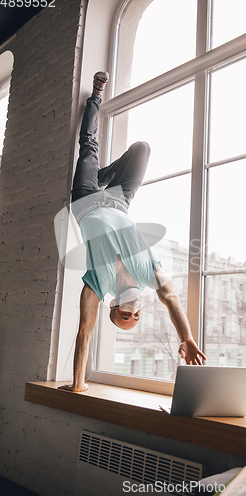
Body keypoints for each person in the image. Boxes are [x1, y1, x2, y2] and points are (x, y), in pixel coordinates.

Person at [61, 72, 206, 392]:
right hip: (118, 200)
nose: (133, 315)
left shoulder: (98, 285)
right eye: (136, 318)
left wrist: (78, 384)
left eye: (124, 318)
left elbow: (85, 331)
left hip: (85, 200)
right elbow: (171, 300)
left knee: (89, 146)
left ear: (112, 307)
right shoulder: (149, 274)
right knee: (142, 149)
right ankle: (102, 174)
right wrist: (188, 338)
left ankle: (95, 98)